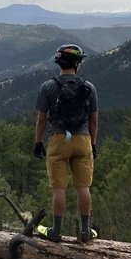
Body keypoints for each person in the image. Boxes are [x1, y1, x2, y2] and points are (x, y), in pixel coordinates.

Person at [33, 44, 99, 243]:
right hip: (83, 140)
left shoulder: (48, 87)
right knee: (83, 187)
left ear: (59, 63)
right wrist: (93, 144)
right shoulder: (89, 87)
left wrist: (38, 142)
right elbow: (94, 120)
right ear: (77, 63)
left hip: (58, 139)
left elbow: (42, 119)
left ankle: (56, 232)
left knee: (59, 188)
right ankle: (86, 232)